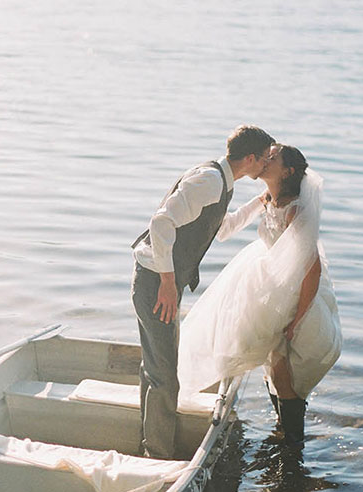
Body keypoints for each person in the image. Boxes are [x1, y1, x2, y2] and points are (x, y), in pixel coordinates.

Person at [178, 143, 342, 447]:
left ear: (288, 171)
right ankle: (284, 437)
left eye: (274, 157)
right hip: (268, 288)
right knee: (271, 367)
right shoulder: (267, 199)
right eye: (267, 154)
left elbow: (313, 270)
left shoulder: (297, 210)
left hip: (295, 296)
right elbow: (227, 228)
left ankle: (292, 443)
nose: (267, 159)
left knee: (284, 371)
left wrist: (298, 320)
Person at [132, 125, 274, 459]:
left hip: (159, 280)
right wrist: (167, 283)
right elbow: (161, 223)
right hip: (156, 283)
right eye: (265, 159)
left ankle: (149, 445)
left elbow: (220, 229)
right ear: (250, 158)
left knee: (156, 368)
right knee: (165, 376)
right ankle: (157, 456)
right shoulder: (210, 181)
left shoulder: (221, 182)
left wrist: (258, 203)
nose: (267, 165)